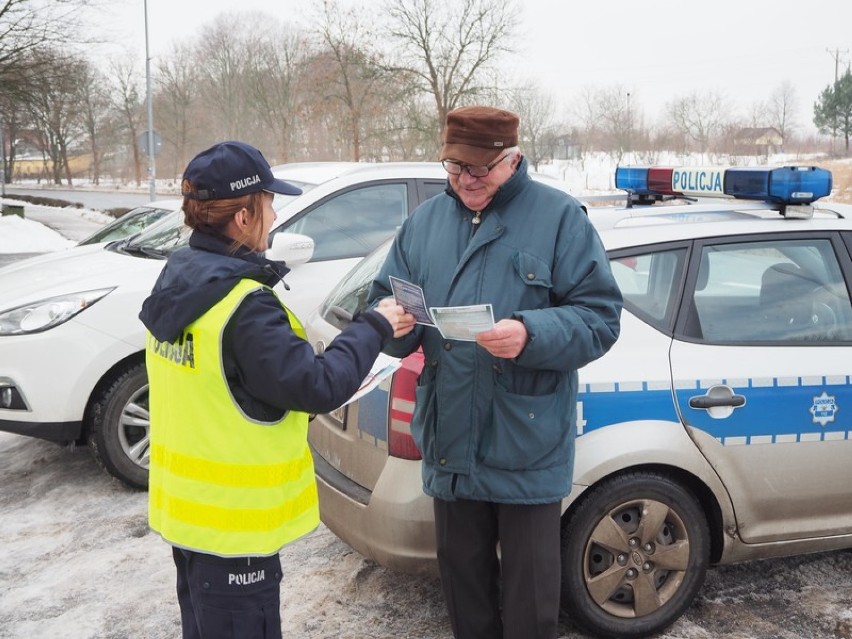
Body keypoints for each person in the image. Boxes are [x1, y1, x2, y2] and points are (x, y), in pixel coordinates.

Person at [139, 140, 412, 639]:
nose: (273, 214)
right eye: (267, 203)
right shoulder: (243, 303)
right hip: (235, 530)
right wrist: (373, 326)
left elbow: (229, 387)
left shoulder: (182, 278)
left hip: (188, 516)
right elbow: (316, 385)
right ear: (243, 217)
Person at [367, 106, 622, 639]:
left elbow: (600, 319)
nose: (467, 180)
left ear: (513, 158)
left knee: (530, 609)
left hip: (525, 442)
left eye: (481, 169)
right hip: (450, 442)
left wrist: (531, 334)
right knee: (466, 599)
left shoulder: (559, 217)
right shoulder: (424, 223)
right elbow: (386, 302)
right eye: (455, 168)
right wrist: (393, 326)